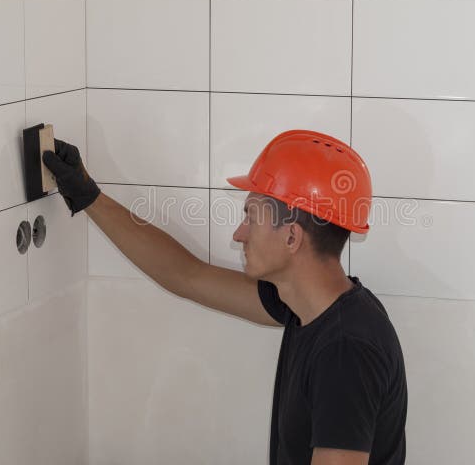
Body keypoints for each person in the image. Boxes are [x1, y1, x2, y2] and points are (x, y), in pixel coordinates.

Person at [42, 129, 408, 465]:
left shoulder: (346, 351)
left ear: (292, 238)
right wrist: (88, 195)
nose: (238, 234)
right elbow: (187, 275)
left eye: (251, 217)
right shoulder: (306, 306)